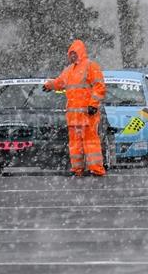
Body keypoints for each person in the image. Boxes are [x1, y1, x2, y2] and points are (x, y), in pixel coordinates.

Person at [43, 39, 107, 176]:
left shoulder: (91, 66)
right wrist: (49, 85)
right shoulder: (69, 70)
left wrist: (93, 105)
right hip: (73, 117)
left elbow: (99, 86)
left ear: (80, 53)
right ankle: (77, 169)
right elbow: (59, 82)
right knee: (75, 145)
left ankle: (96, 169)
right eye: (70, 54)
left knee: (91, 143)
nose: (72, 56)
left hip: (87, 114)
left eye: (74, 53)